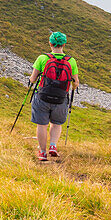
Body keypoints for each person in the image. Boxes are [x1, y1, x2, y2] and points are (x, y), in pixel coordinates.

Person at [28, 31, 79, 162]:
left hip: (42, 97)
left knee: (42, 124)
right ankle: (53, 146)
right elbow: (76, 83)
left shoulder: (42, 58)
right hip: (61, 98)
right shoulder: (71, 61)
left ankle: (42, 153)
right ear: (64, 44)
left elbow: (33, 79)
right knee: (56, 123)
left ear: (50, 43)